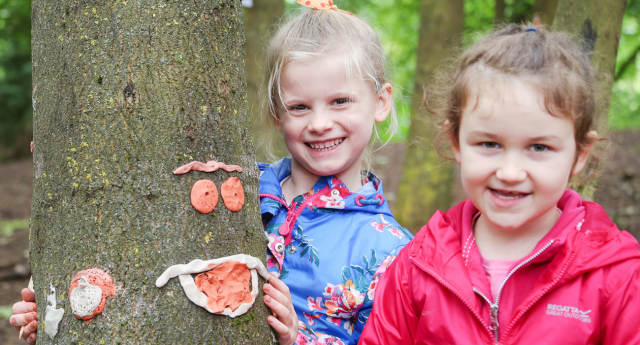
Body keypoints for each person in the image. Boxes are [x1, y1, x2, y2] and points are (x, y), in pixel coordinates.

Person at [11, 6, 412, 345]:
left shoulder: (391, 251)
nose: (320, 123)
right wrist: (54, 312)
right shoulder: (235, 189)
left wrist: (299, 338)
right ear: (276, 113)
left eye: (340, 101)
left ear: (380, 102)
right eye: (300, 107)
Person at [360, 24, 640, 344]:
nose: (509, 172)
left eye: (539, 148)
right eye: (490, 144)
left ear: (579, 154)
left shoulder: (615, 276)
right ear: (457, 142)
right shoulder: (418, 266)